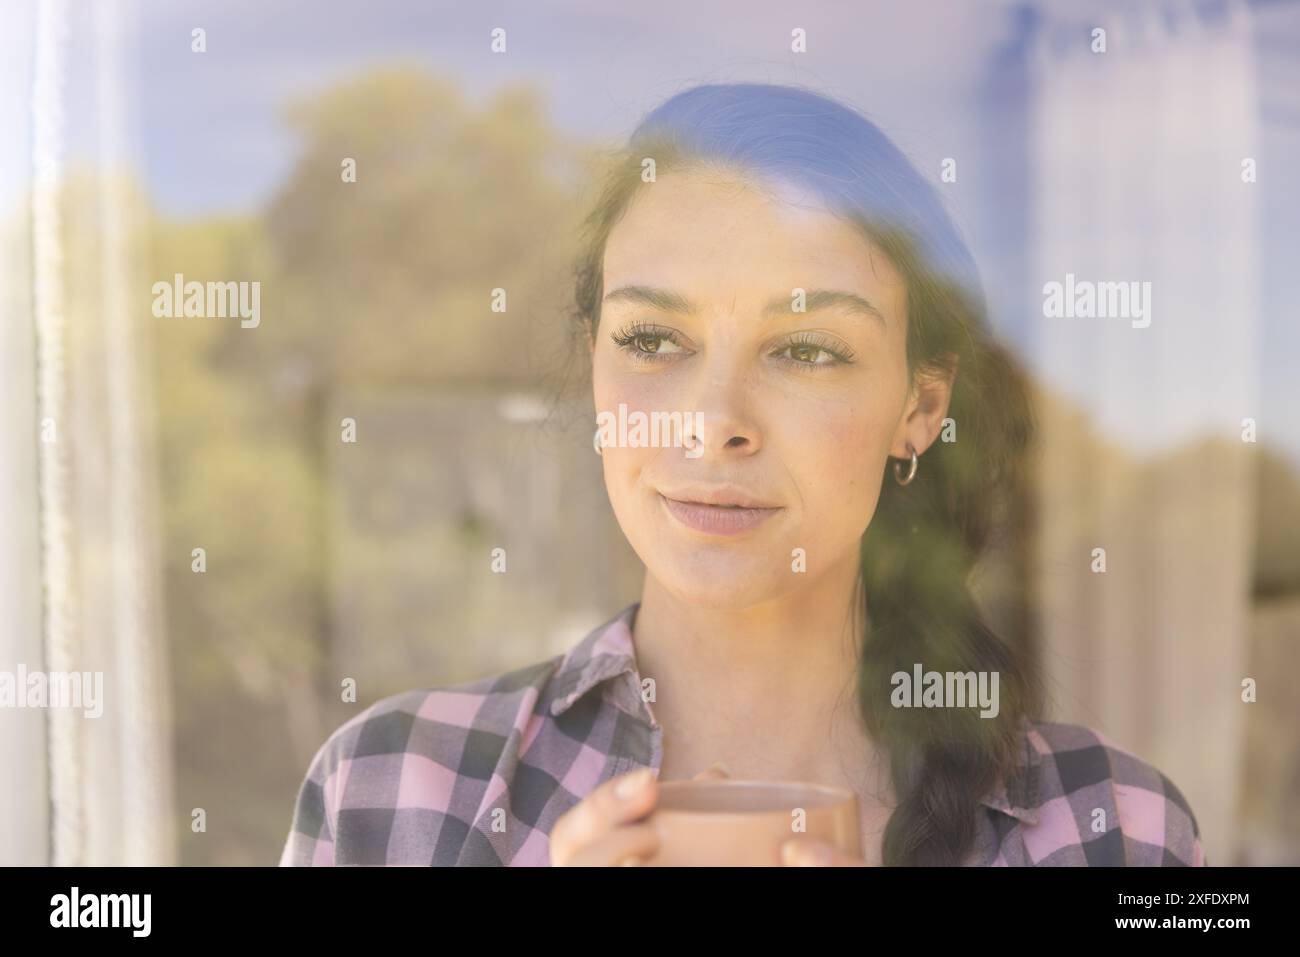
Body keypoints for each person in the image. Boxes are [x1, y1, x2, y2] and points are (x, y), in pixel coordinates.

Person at [279, 82, 1205, 867]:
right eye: (652, 339)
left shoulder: (1117, 830)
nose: (713, 422)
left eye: (805, 350)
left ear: (921, 407)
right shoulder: (388, 796)